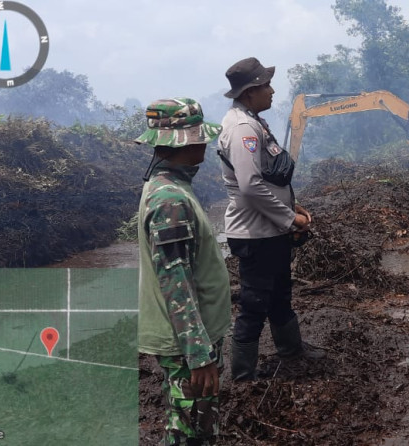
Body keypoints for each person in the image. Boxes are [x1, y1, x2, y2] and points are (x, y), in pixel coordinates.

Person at [219, 57, 323, 382]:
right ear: (250, 92)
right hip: (256, 234)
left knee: (280, 293)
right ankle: (243, 375)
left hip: (269, 230)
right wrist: (291, 218)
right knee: (254, 303)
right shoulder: (242, 129)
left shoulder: (252, 120)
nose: (272, 90)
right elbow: (250, 186)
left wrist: (295, 206)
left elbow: (267, 178)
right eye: (266, 85)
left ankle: (291, 351)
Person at [135, 97, 231, 446]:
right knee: (189, 432)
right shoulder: (170, 201)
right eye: (199, 135)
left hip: (191, 340)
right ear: (186, 142)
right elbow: (176, 283)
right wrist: (198, 355)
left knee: (194, 425)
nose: (205, 141)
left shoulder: (168, 186)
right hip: (187, 344)